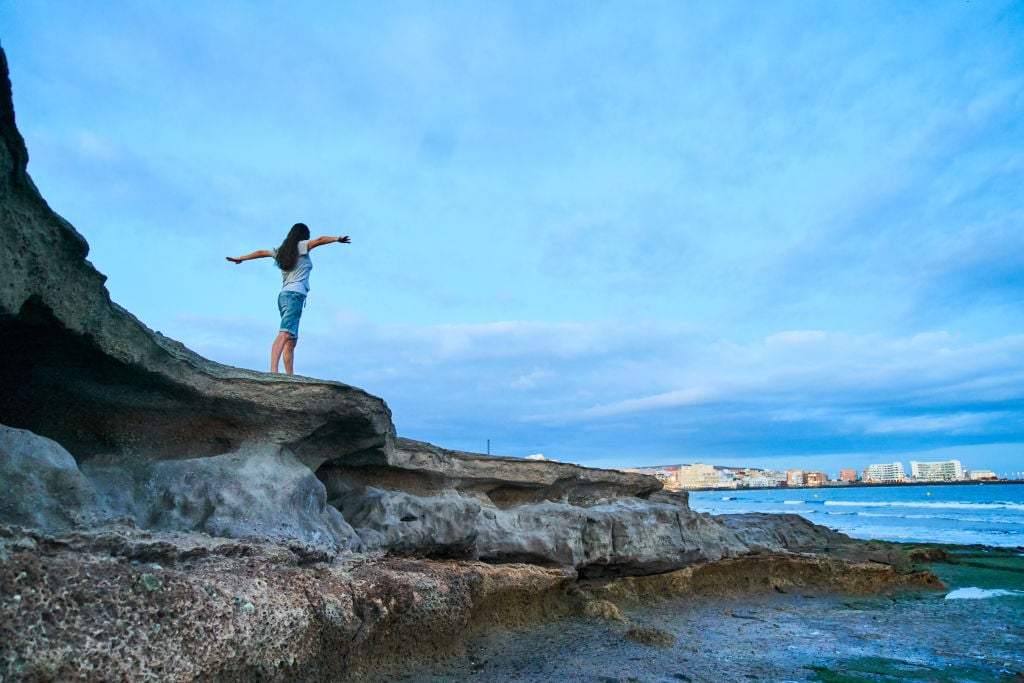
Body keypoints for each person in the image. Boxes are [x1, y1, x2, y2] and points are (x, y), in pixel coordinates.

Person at [226, 223, 350, 374]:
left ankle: (289, 375)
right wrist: (337, 239)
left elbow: (260, 252)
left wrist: (242, 258)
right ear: (303, 235)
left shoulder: (281, 251)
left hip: (285, 296)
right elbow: (320, 240)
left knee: (291, 341)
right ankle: (273, 371)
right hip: (294, 295)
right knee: (285, 333)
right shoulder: (301, 246)